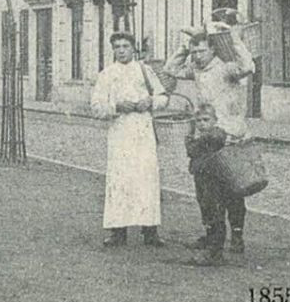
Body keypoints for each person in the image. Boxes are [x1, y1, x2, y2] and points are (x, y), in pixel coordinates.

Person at [162, 25, 257, 253]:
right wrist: (184, 48)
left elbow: (248, 66)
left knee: (233, 188)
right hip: (206, 137)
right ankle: (211, 233)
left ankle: (236, 236)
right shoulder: (195, 69)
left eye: (201, 51)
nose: (197, 56)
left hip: (229, 134)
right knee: (205, 191)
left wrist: (234, 39)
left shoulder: (225, 68)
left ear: (212, 50)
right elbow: (170, 68)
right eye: (195, 52)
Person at [88, 32, 164, 247]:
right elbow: (96, 107)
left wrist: (150, 102)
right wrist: (116, 106)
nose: (121, 50)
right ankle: (117, 231)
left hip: (143, 132)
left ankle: (150, 230)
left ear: (134, 48)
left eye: (126, 46)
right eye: (117, 47)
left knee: (146, 178)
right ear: (113, 50)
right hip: (120, 133)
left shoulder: (145, 71)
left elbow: (163, 96)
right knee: (120, 179)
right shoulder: (106, 75)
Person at [185, 104, 240, 266]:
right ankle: (210, 245)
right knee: (206, 212)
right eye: (199, 121)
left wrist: (192, 137)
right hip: (202, 180)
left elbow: (193, 149)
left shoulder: (215, 135)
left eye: (206, 120)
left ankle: (216, 251)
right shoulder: (203, 137)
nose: (202, 123)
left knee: (216, 214)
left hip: (214, 182)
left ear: (215, 121)